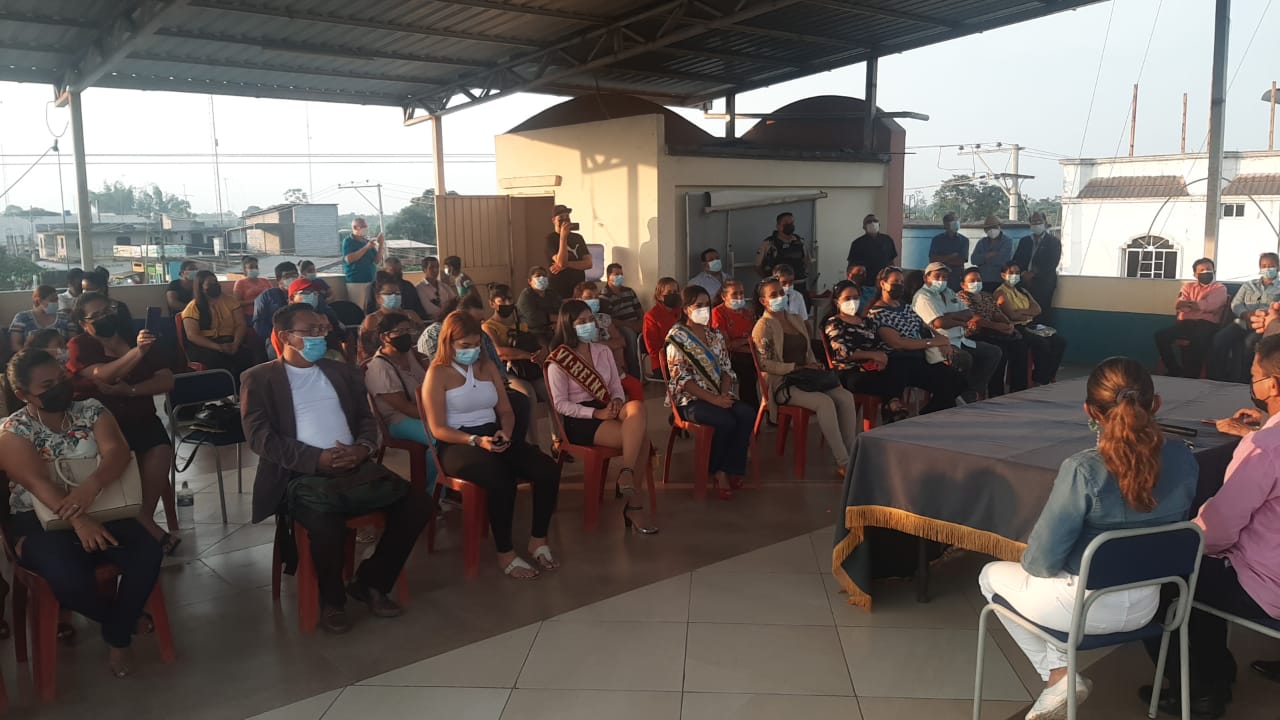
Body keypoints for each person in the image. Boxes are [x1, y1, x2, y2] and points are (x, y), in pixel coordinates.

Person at [979, 357, 1197, 720]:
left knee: (989, 575)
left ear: (1090, 411)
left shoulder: (1082, 469)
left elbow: (1042, 563)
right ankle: (1059, 676)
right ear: (1155, 404)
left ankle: (1058, 676)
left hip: (1080, 609)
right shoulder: (1183, 458)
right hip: (1149, 604)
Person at [243, 303, 431, 634]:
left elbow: (366, 419)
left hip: (355, 465)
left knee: (418, 504)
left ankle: (371, 582)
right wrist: (316, 459)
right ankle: (332, 600)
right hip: (301, 474)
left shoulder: (342, 371)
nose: (320, 336)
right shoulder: (260, 379)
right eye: (310, 331)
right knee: (325, 522)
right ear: (285, 337)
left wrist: (362, 449)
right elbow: (261, 438)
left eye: (322, 329)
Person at [1138, 335, 1280, 717]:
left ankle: (1198, 690)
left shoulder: (1264, 448)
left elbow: (1218, 531)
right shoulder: (1266, 440)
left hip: (1267, 586)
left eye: (1254, 375)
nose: (1251, 382)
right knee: (1207, 568)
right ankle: (1218, 668)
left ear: (1272, 385)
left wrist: (1175, 545)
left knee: (1164, 578)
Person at [0, 348, 163, 676]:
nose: (59, 387)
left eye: (61, 378)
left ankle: (117, 633)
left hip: (104, 506)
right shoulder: (12, 430)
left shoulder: (90, 409)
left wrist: (92, 486)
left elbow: (117, 452)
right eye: (47, 385)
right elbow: (37, 483)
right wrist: (79, 520)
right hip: (40, 521)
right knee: (67, 575)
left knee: (147, 550)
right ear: (23, 394)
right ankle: (122, 624)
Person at [424, 311, 561, 579]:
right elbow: (438, 428)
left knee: (546, 468)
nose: (472, 351)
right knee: (501, 477)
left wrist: (505, 433)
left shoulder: (486, 367)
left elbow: (506, 411)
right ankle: (505, 551)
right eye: (465, 346)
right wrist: (475, 440)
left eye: (476, 344)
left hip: (493, 434)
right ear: (449, 343)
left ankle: (538, 540)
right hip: (457, 442)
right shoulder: (437, 373)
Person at [67, 292, 181, 554]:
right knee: (117, 456)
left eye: (108, 310)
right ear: (84, 323)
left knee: (161, 449)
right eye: (96, 315)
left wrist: (130, 391)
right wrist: (138, 353)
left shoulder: (136, 336)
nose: (105, 317)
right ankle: (148, 528)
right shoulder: (81, 345)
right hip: (102, 425)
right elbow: (102, 375)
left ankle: (142, 519)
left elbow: (166, 380)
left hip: (141, 416)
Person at [546, 301, 656, 532]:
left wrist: (616, 401)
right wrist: (596, 413)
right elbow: (560, 404)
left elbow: (615, 386)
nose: (589, 325)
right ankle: (634, 506)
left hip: (607, 404)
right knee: (642, 442)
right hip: (581, 418)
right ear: (568, 326)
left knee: (636, 406)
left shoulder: (603, 351)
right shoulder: (560, 360)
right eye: (582, 322)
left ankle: (626, 472)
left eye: (591, 320)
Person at [754, 277, 860, 476]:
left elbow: (808, 351)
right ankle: (843, 461)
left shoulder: (795, 319)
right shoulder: (763, 326)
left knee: (845, 397)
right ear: (763, 301)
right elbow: (765, 364)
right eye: (773, 295)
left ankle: (852, 453)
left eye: (781, 293)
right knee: (824, 402)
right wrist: (796, 367)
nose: (780, 297)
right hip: (783, 382)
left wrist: (813, 365)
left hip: (808, 378)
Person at [667, 285, 755, 499]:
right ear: (686, 309)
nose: (704, 310)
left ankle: (732, 467)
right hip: (691, 400)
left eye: (707, 305)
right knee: (725, 420)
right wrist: (714, 400)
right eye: (698, 305)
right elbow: (682, 380)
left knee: (746, 413)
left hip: (719, 394)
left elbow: (726, 370)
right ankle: (717, 470)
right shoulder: (677, 337)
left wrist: (722, 395)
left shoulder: (715, 335)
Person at [823, 280, 954, 420]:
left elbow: (879, 344)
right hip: (851, 371)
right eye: (847, 298)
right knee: (892, 376)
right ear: (837, 302)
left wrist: (880, 357)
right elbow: (842, 352)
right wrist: (874, 355)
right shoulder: (834, 322)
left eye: (855, 297)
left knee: (900, 365)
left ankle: (894, 406)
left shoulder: (865, 322)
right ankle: (892, 403)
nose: (852, 302)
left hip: (876, 367)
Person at [865, 267, 962, 412]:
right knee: (946, 386)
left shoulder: (906, 308)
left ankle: (928, 414)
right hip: (898, 361)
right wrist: (931, 342)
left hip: (919, 358)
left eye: (901, 282)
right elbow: (897, 343)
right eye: (895, 282)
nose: (899, 285)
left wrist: (943, 341)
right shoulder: (877, 313)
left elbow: (927, 328)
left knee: (957, 381)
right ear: (883, 284)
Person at [365, 311, 437, 493]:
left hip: (427, 410)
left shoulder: (412, 355)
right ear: (384, 337)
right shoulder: (379, 368)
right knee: (438, 438)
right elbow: (406, 409)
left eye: (408, 331)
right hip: (397, 421)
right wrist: (440, 416)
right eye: (400, 331)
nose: (406, 336)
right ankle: (429, 493)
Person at [913, 262, 1002, 401]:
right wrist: (959, 321)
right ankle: (959, 394)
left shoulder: (948, 292)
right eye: (937, 276)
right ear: (926, 278)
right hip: (940, 344)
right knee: (965, 358)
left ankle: (970, 392)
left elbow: (968, 313)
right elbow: (939, 323)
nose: (941, 280)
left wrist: (948, 315)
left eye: (944, 277)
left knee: (993, 352)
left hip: (961, 339)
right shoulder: (923, 297)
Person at [994, 262, 1067, 386]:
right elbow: (1012, 316)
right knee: (1041, 343)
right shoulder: (1000, 293)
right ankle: (1039, 379)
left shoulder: (1023, 291)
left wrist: (1020, 311)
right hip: (1015, 327)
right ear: (1003, 275)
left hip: (1031, 325)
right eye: (1011, 273)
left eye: (1017, 273)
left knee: (1059, 341)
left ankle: (1048, 376)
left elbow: (1038, 309)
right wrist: (1028, 313)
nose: (1015, 275)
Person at [1153, 257, 1228, 379]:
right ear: (1195, 274)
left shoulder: (1219, 288)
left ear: (1214, 271)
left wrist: (1192, 305)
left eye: (1209, 269)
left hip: (1207, 324)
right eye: (1201, 270)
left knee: (1198, 340)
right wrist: (1198, 305)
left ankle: (1192, 376)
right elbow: (1179, 305)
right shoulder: (1188, 286)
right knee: (1161, 335)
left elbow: (1211, 305)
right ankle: (1174, 369)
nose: (1206, 272)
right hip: (1186, 323)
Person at [958, 267, 1028, 396]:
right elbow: (975, 319)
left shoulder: (986, 296)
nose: (976, 283)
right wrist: (998, 327)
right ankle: (995, 392)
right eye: (972, 281)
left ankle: (1018, 389)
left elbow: (997, 313)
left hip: (993, 331)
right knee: (1000, 351)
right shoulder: (961, 297)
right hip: (975, 334)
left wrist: (1007, 324)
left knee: (1020, 346)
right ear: (963, 284)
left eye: (979, 280)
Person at [1211, 252, 1280, 383]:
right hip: (1242, 322)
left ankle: (1245, 380)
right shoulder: (1248, 285)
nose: (1267, 269)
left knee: (1249, 343)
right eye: (1264, 266)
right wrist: (1245, 314)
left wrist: (1264, 317)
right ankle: (1219, 377)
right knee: (1219, 339)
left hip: (1263, 326)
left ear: (1278, 267)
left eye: (1271, 265)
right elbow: (1236, 303)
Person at [181, 270, 253, 379]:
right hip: (205, 345)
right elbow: (192, 336)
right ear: (201, 288)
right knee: (217, 360)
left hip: (230, 341)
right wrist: (218, 347)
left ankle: (241, 388)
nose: (215, 285)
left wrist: (236, 344)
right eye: (210, 284)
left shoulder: (231, 301)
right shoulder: (192, 307)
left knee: (246, 356)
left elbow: (240, 324)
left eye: (216, 282)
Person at [573, 281, 633, 392]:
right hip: (588, 371)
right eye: (589, 297)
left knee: (635, 386)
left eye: (596, 297)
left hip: (612, 365)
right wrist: (608, 345)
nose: (594, 300)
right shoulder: (575, 323)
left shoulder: (603, 318)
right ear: (578, 300)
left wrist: (600, 345)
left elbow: (621, 342)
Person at [711, 279, 759, 410]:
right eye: (735, 294)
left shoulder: (748, 314)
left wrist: (750, 345)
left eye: (741, 293)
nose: (739, 297)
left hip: (751, 353)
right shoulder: (718, 313)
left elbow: (757, 338)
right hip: (730, 357)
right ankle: (751, 412)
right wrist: (747, 342)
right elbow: (727, 345)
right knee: (748, 373)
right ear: (724, 296)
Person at [358, 271, 424, 363]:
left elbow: (422, 340)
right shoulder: (372, 320)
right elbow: (366, 353)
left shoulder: (411, 315)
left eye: (397, 293)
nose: (394, 296)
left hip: (413, 361)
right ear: (378, 298)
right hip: (382, 363)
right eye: (389, 294)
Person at [1011, 211, 1062, 324]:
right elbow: (1017, 260)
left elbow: (1052, 263)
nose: (1037, 224)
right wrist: (1023, 273)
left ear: (1045, 223)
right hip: (1024, 282)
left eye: (1039, 221)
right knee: (1024, 311)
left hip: (1044, 284)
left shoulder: (1054, 242)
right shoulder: (1024, 241)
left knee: (1042, 314)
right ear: (1030, 224)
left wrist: (1033, 274)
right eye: (1034, 222)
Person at [755, 211, 811, 306]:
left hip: (799, 285)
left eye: (791, 223)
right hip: (777, 288)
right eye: (786, 223)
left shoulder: (800, 242)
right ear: (778, 226)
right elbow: (758, 266)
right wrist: (769, 281)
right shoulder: (769, 243)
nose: (789, 226)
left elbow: (807, 262)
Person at [600, 262, 644, 378]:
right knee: (629, 334)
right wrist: (630, 325)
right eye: (616, 274)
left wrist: (640, 323)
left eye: (621, 274)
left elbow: (639, 311)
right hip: (621, 327)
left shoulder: (629, 291)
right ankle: (635, 374)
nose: (620, 277)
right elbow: (609, 320)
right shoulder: (604, 296)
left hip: (636, 323)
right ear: (608, 276)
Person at [546, 205, 592, 300]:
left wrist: (567, 264)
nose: (565, 220)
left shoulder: (578, 238)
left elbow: (588, 263)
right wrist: (563, 237)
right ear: (554, 220)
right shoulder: (551, 239)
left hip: (578, 287)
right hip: (559, 288)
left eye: (567, 217)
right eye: (561, 218)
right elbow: (561, 262)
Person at [362, 256, 428, 318]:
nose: (397, 273)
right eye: (393, 270)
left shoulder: (408, 286)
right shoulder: (373, 287)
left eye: (399, 270)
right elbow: (369, 311)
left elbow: (418, 307)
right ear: (384, 270)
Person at [252, 261, 299, 345]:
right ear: (278, 280)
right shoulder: (267, 296)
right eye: (287, 276)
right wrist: (278, 336)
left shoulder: (305, 294)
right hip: (275, 339)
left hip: (301, 338)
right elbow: (259, 325)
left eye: (294, 275)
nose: (292, 278)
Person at [643, 277, 682, 377]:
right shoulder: (651, 316)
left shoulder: (681, 311)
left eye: (675, 292)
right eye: (669, 292)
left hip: (683, 359)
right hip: (663, 363)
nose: (673, 295)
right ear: (659, 296)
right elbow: (653, 348)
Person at [515, 266, 561, 346]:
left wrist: (558, 323)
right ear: (530, 281)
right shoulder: (526, 296)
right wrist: (556, 318)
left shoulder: (551, 293)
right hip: (534, 333)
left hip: (554, 328)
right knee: (549, 346)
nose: (542, 278)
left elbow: (560, 309)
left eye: (544, 276)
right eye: (538, 276)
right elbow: (533, 318)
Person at [846, 213, 898, 283]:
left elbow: (891, 262)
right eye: (869, 221)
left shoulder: (888, 240)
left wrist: (893, 276)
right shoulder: (857, 243)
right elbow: (851, 266)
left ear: (879, 224)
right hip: (865, 283)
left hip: (884, 281)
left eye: (875, 221)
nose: (872, 223)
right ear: (864, 227)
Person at [969, 215, 1014, 293]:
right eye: (988, 228)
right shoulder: (981, 242)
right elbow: (973, 260)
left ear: (999, 227)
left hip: (1000, 281)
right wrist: (988, 255)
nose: (991, 230)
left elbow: (1002, 260)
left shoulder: (1007, 241)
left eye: (994, 227)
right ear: (985, 230)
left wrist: (983, 259)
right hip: (983, 281)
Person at [928, 212, 969, 291]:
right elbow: (932, 260)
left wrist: (941, 260)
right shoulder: (937, 240)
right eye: (952, 220)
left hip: (956, 278)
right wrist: (950, 257)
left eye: (957, 220)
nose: (956, 222)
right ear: (945, 224)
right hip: (939, 278)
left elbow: (961, 261)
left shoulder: (964, 240)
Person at [341, 217, 382, 284]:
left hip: (371, 280)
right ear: (355, 227)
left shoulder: (367, 242)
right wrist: (366, 247)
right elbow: (349, 259)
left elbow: (377, 261)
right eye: (363, 226)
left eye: (366, 226)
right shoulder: (348, 241)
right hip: (357, 281)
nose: (366, 228)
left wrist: (381, 244)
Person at [233, 256, 274, 320]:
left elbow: (273, 294)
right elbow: (236, 303)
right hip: (251, 316)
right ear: (245, 269)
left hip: (268, 313)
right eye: (251, 267)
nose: (254, 269)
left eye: (256, 267)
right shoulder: (240, 283)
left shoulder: (265, 281)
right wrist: (255, 301)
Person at [414, 256, 447, 323]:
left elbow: (455, 301)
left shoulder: (444, 286)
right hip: (431, 322)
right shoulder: (419, 288)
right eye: (431, 267)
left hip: (447, 318)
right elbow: (429, 310)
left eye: (437, 267)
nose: (435, 270)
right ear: (424, 270)